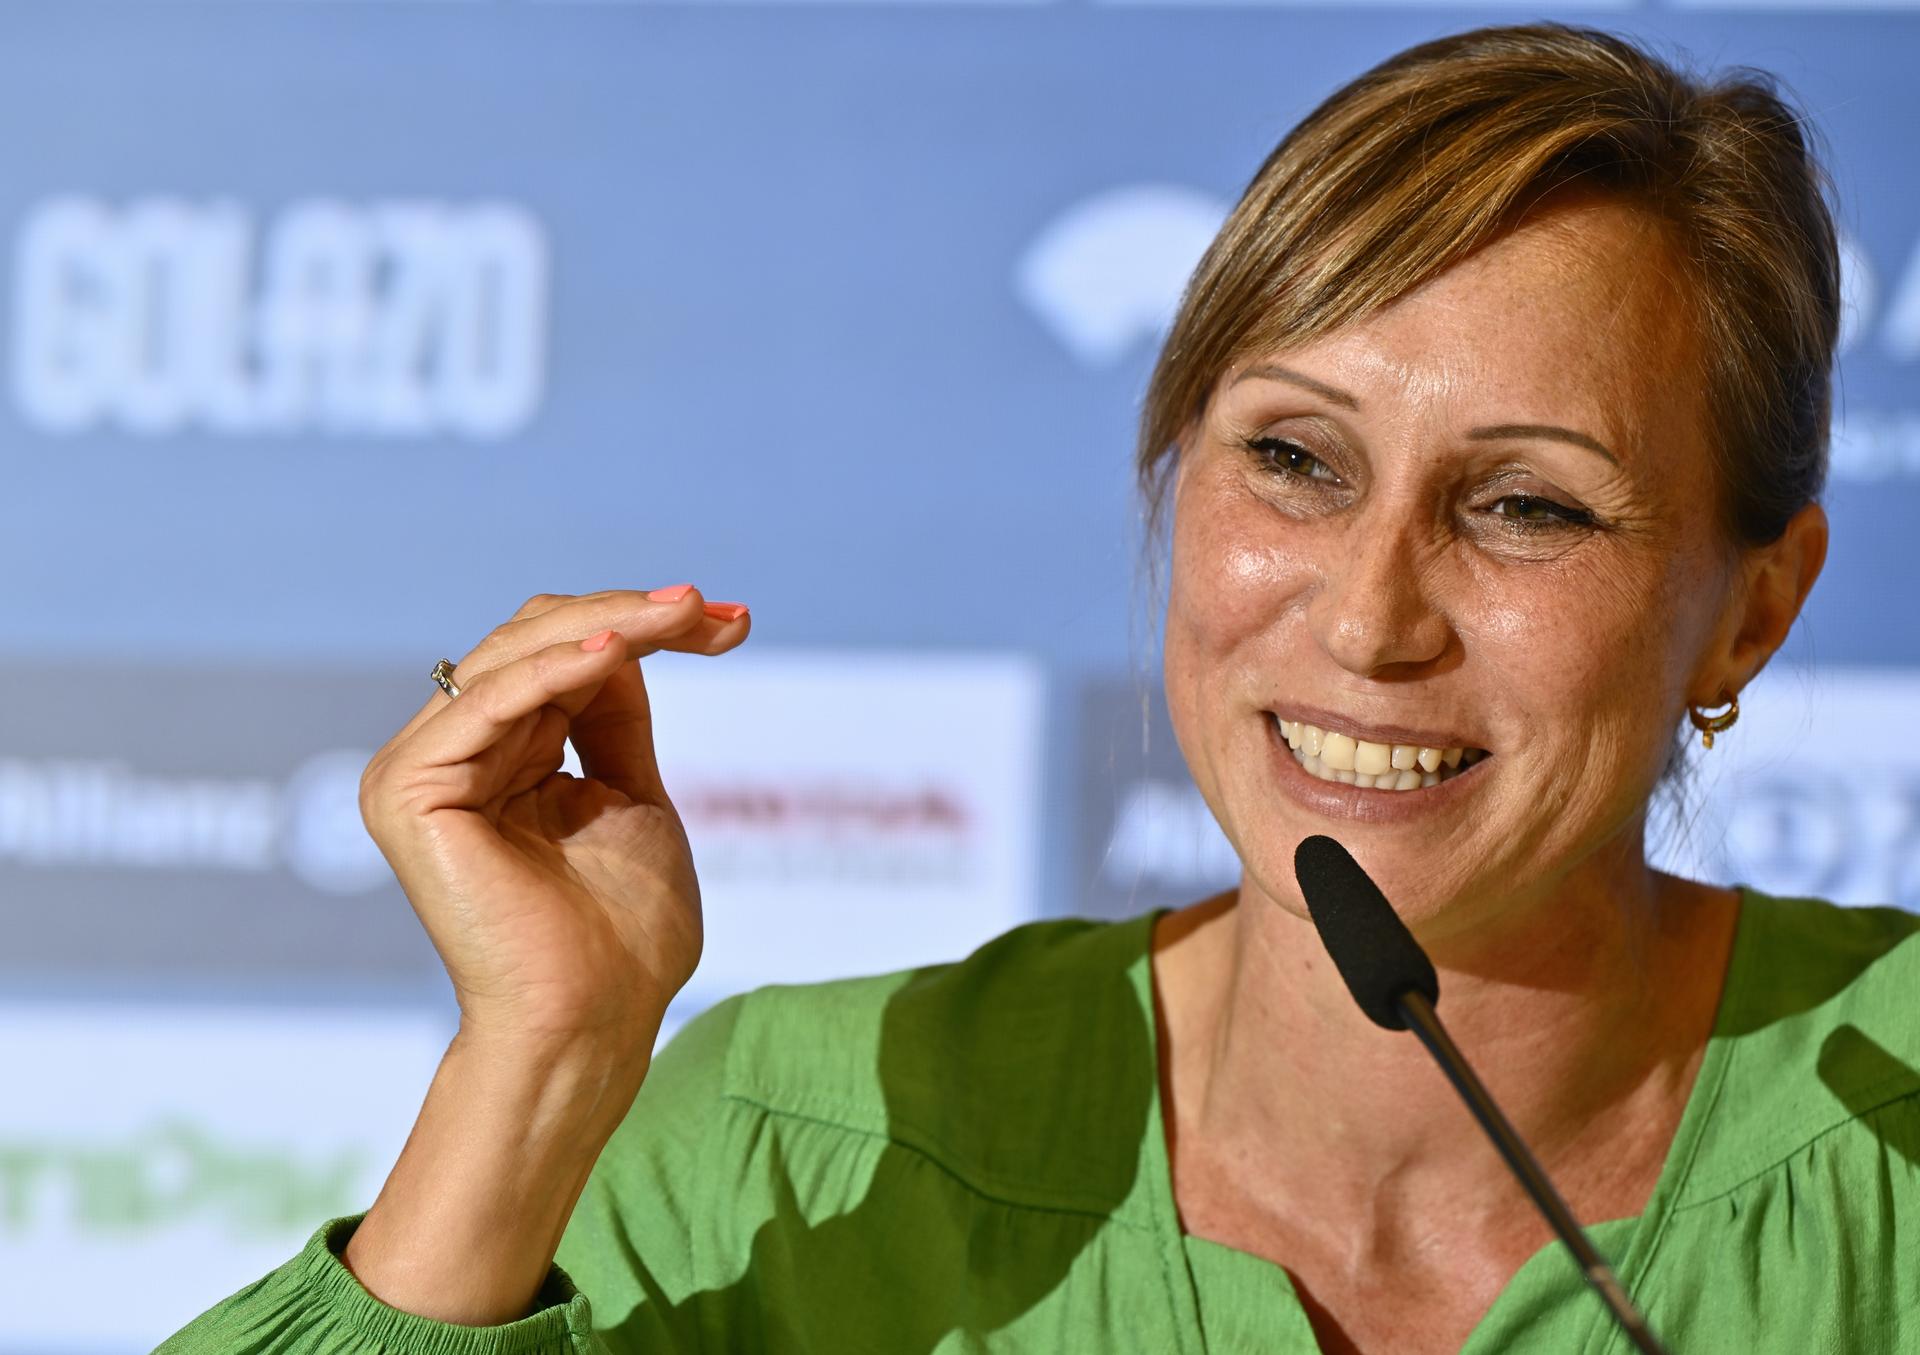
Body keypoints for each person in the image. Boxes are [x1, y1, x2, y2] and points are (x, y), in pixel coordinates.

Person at [155, 21, 1914, 1355]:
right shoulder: (796, 1139)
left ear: (1753, 612)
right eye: (1295, 461)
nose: (1371, 618)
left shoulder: (1886, 1131)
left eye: (1526, 504)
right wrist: (540, 1068)